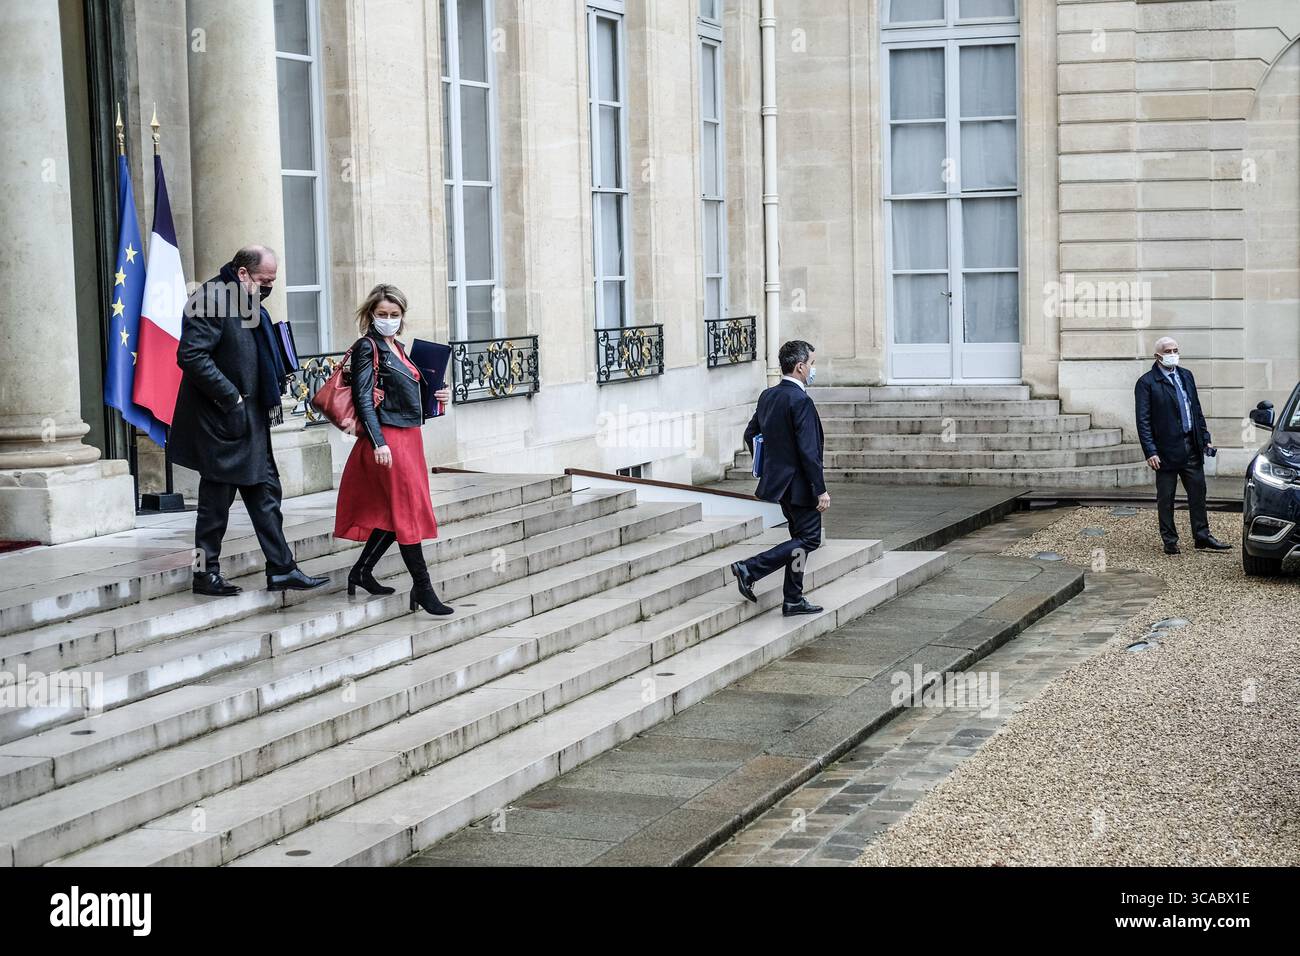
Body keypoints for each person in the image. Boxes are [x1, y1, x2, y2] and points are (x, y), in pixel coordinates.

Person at [171, 245, 330, 596]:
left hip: (251, 421)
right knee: (214, 507)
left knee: (266, 494)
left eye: (272, 281)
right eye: (264, 280)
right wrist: (231, 398)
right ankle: (203, 572)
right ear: (243, 273)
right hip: (222, 422)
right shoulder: (210, 298)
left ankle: (282, 568)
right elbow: (191, 355)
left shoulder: (246, 301)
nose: (269, 287)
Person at [333, 284, 454, 614]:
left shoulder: (398, 347)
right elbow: (362, 398)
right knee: (406, 511)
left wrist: (438, 398)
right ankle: (423, 587)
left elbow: (408, 394)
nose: (388, 319)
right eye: (382, 314)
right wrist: (378, 442)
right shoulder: (367, 347)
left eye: (394, 314)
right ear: (371, 314)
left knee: (394, 512)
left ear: (402, 317)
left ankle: (361, 571)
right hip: (387, 440)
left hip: (409, 438)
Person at [730, 340, 829, 615]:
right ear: (800, 367)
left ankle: (794, 598)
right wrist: (820, 489)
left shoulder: (768, 395)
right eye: (812, 363)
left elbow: (751, 434)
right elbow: (809, 452)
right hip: (800, 486)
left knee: (800, 541)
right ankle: (750, 568)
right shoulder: (801, 400)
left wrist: (768, 466)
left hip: (781, 485)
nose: (813, 369)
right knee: (809, 540)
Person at [1134, 336, 1231, 555]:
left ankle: (1202, 536)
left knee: (1198, 493)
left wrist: (1204, 436)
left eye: (1175, 350)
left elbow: (1195, 409)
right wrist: (1150, 451)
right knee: (1166, 497)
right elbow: (1143, 420)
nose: (1173, 354)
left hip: (1191, 446)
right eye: (1168, 351)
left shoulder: (1186, 376)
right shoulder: (1147, 383)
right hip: (1166, 450)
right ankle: (1170, 540)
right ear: (1158, 356)